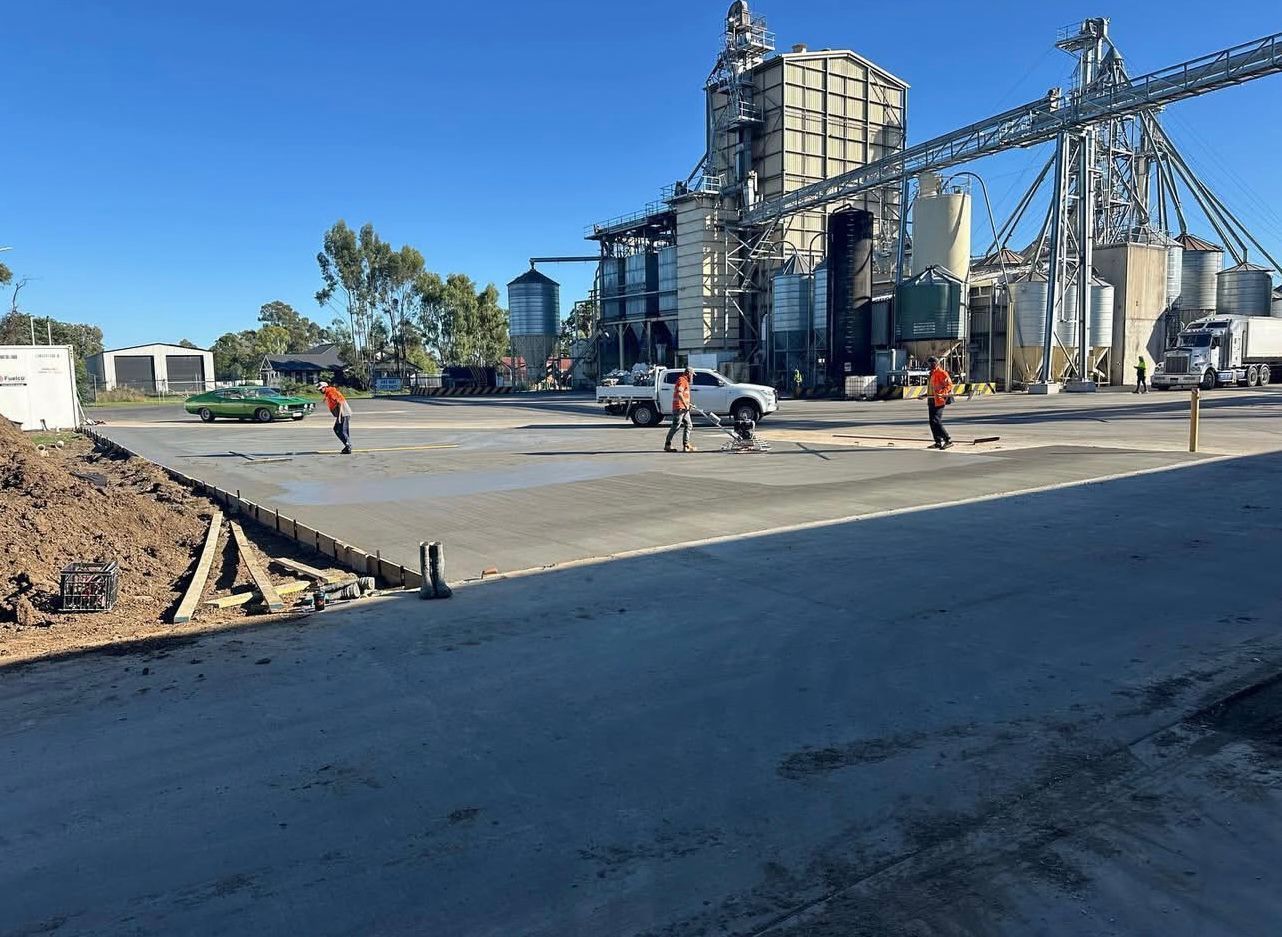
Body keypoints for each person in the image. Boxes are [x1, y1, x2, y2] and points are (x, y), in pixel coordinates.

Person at [664, 366, 696, 453]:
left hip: (683, 408)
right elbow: (679, 393)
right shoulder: (682, 380)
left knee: (688, 425)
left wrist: (689, 404)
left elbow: (683, 396)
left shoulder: (684, 381)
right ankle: (667, 445)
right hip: (680, 408)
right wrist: (686, 405)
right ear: (688, 374)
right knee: (676, 426)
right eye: (692, 375)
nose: (692, 377)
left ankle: (686, 445)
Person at [926, 356, 954, 450]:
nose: (930, 365)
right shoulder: (931, 373)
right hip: (931, 399)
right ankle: (937, 442)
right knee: (932, 422)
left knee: (936, 421)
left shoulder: (942, 373)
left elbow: (949, 385)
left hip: (939, 400)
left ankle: (947, 440)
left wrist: (942, 393)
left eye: (932, 363)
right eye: (929, 364)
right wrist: (925, 395)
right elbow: (932, 387)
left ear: (936, 363)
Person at [317, 381, 352, 454]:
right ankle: (347, 445)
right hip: (341, 413)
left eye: (321, 389)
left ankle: (348, 446)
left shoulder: (331, 392)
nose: (320, 391)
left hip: (343, 412)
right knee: (336, 429)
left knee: (342, 430)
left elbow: (339, 403)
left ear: (325, 387)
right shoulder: (328, 392)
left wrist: (339, 417)